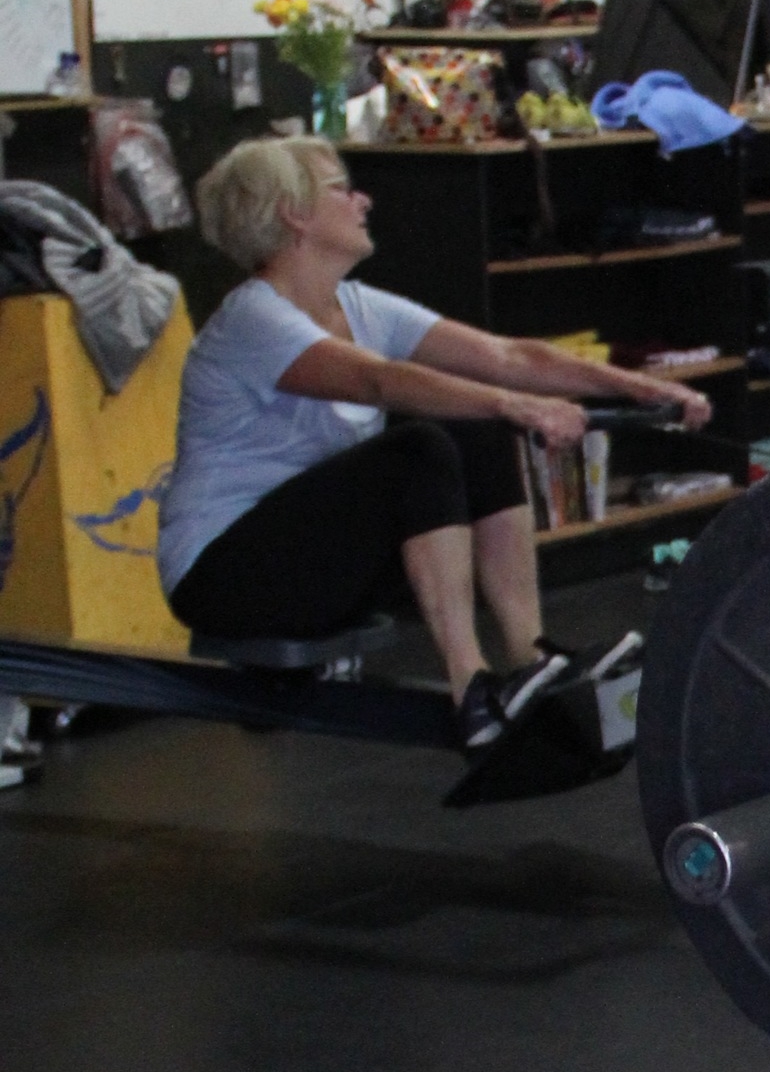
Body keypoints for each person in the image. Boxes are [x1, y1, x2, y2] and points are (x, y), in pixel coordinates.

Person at [159, 137, 708, 749]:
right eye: (342, 189)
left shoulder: (358, 307)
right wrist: (514, 404)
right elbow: (377, 381)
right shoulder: (252, 320)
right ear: (294, 213)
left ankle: (531, 659)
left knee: (476, 427)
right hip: (223, 577)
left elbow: (507, 357)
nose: (363, 200)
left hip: (314, 559)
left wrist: (641, 388)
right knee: (420, 448)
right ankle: (470, 687)